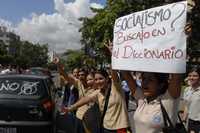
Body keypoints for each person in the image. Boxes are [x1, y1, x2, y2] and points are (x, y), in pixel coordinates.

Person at [62, 69, 131, 133]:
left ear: (107, 79)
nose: (98, 81)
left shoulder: (116, 88)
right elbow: (86, 99)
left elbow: (114, 73)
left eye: (101, 79)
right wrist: (71, 108)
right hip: (106, 128)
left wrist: (113, 57)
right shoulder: (98, 92)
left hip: (120, 129)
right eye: (96, 79)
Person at [182, 67, 200, 133]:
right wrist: (183, 120)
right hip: (190, 122)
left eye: (195, 76)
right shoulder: (187, 90)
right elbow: (187, 106)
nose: (192, 78)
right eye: (190, 76)